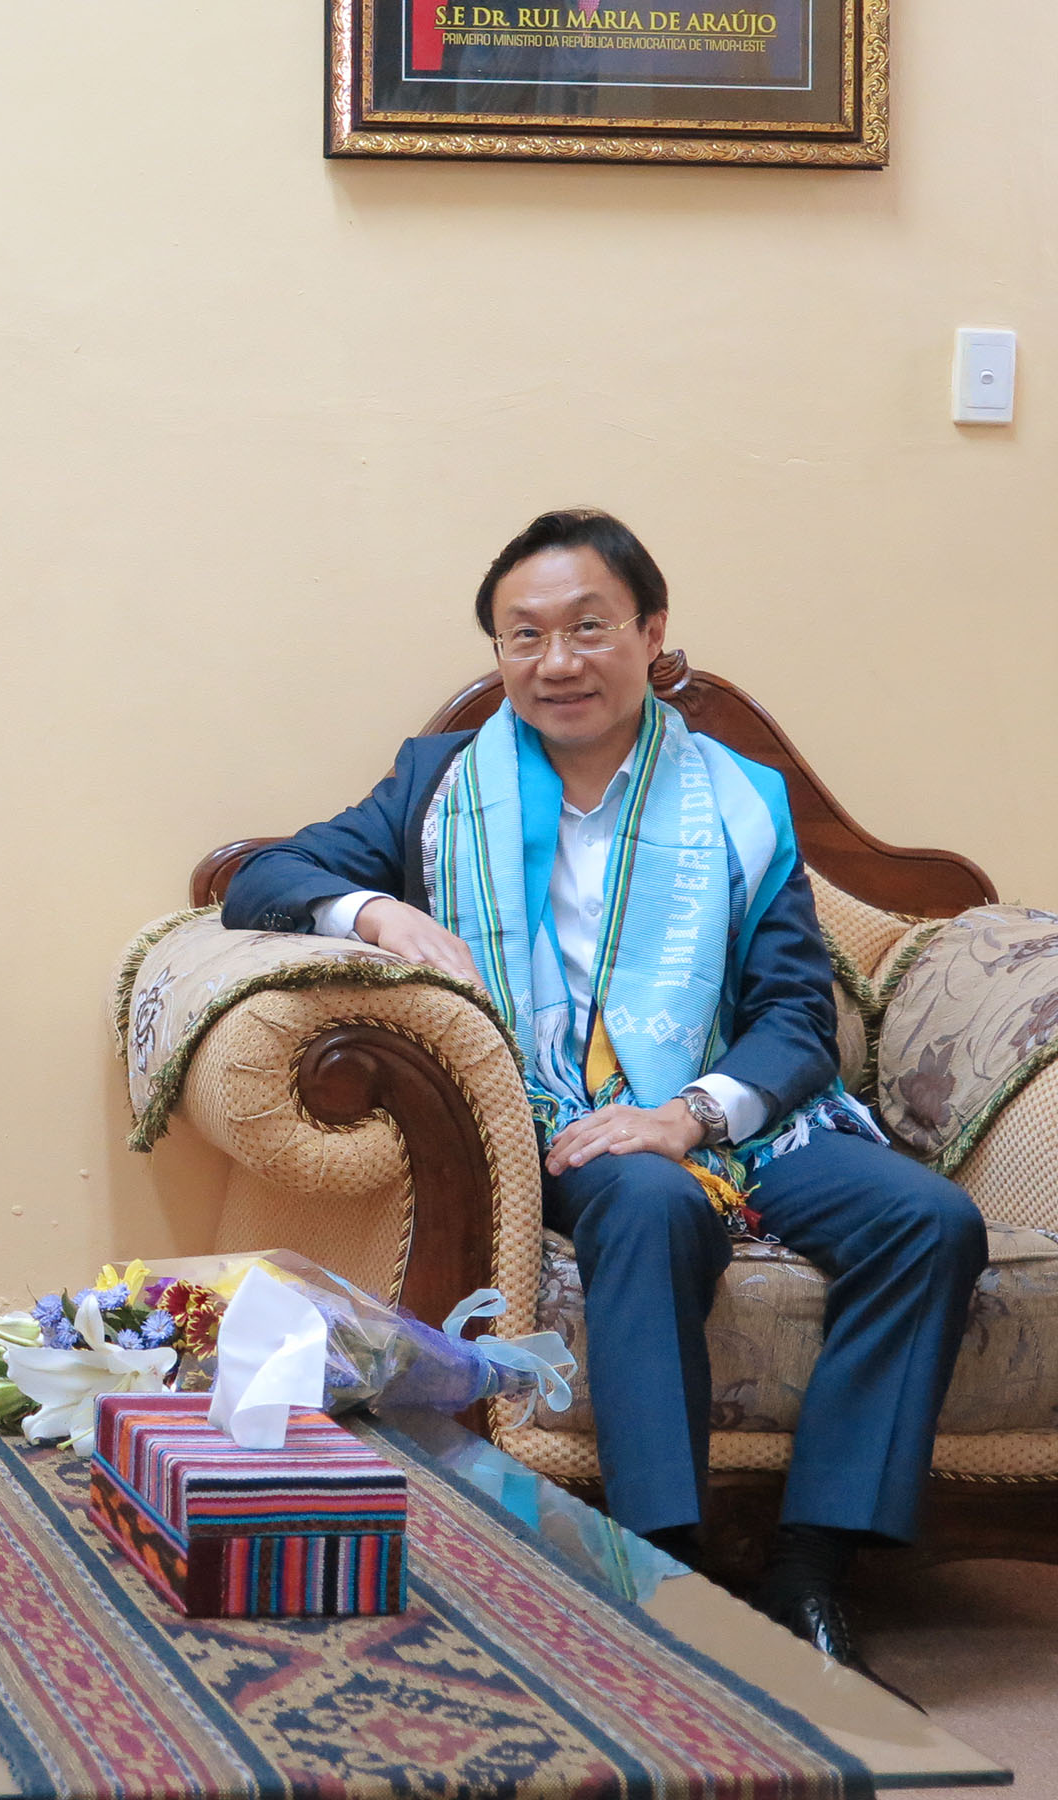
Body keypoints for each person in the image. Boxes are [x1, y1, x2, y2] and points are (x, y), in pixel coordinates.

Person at [224, 508, 985, 1676]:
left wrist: (691, 1113)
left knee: (927, 1221)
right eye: (523, 636)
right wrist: (375, 911)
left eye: (589, 627)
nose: (557, 661)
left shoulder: (739, 797)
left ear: (652, 632)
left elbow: (793, 1012)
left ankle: (812, 1570)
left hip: (730, 1112)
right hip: (551, 1114)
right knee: (646, 1198)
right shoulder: (441, 783)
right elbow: (261, 878)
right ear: (498, 653)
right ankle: (663, 1571)